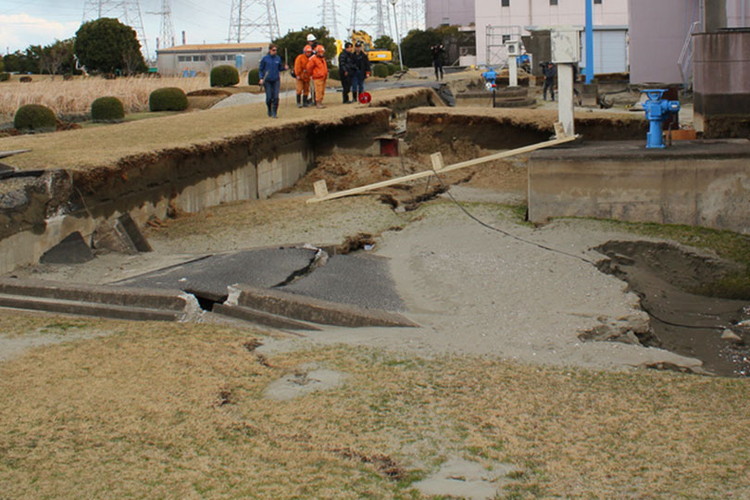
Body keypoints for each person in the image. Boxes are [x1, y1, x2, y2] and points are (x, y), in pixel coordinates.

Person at [258, 43, 286, 118]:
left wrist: (284, 68)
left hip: (276, 80)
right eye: (273, 50)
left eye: (276, 50)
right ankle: (269, 109)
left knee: (276, 97)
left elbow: (280, 68)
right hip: (267, 80)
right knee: (269, 97)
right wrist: (261, 78)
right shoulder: (265, 59)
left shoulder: (278, 58)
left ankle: (274, 113)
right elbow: (260, 69)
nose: (275, 51)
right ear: (270, 50)